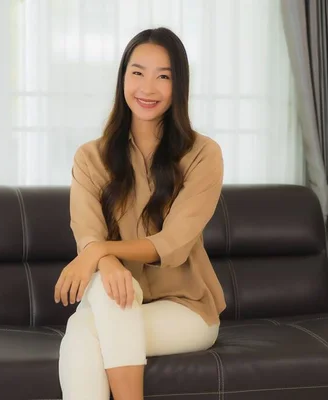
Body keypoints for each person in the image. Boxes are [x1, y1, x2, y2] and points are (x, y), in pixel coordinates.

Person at [54, 27, 226, 400]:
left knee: (86, 331)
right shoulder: (90, 157)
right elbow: (87, 231)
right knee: (104, 304)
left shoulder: (203, 154)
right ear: (123, 78)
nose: (147, 87)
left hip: (187, 311)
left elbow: (173, 244)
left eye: (163, 76)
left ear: (178, 86)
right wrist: (105, 259)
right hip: (114, 298)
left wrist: (102, 253)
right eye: (137, 72)